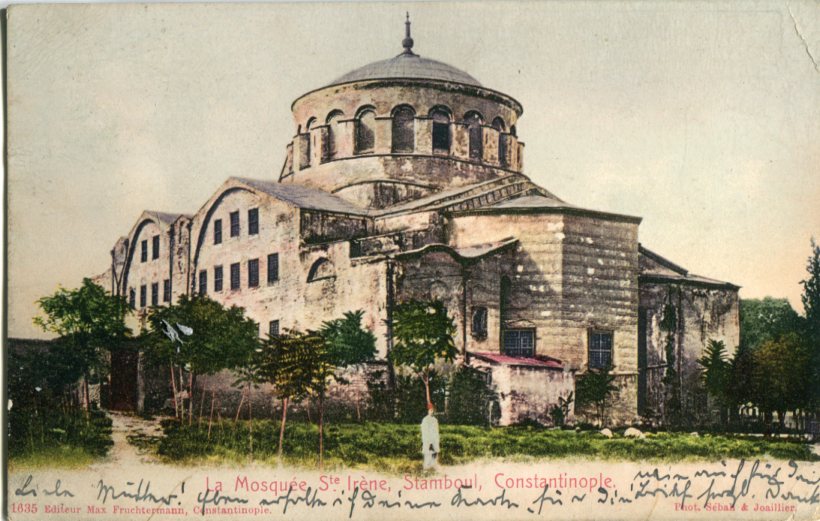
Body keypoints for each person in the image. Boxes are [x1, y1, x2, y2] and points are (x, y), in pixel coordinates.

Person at [421, 402, 440, 470]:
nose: (432, 412)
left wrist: (436, 440)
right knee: (428, 454)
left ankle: (434, 467)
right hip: (428, 440)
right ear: (428, 411)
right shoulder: (425, 420)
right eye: (430, 410)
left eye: (433, 410)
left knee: (435, 454)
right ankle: (426, 468)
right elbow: (425, 432)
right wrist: (429, 441)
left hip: (435, 440)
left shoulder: (435, 420)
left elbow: (436, 431)